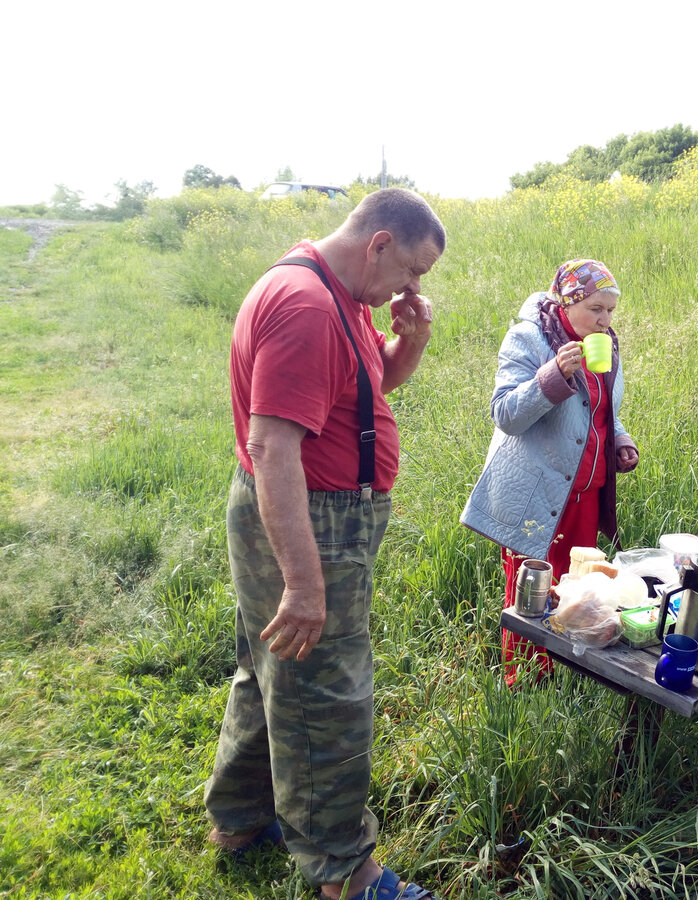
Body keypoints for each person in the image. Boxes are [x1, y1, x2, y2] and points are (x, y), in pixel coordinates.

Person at [204, 188, 446, 900]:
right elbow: (273, 448)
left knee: (273, 668)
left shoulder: (342, 295)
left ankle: (241, 818)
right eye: (411, 270)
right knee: (328, 688)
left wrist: (415, 338)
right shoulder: (309, 308)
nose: (413, 286)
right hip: (313, 518)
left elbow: (377, 383)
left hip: (318, 512)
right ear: (378, 244)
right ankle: (344, 870)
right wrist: (305, 585)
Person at [460, 259, 639, 684]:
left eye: (611, 310)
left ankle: (563, 673)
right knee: (531, 593)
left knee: (573, 590)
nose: (605, 319)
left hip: (586, 497)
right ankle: (524, 682)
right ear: (568, 301)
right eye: (597, 308)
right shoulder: (529, 339)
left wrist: (620, 440)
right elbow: (505, 414)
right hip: (536, 498)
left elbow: (604, 411)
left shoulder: (605, 345)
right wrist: (554, 375)